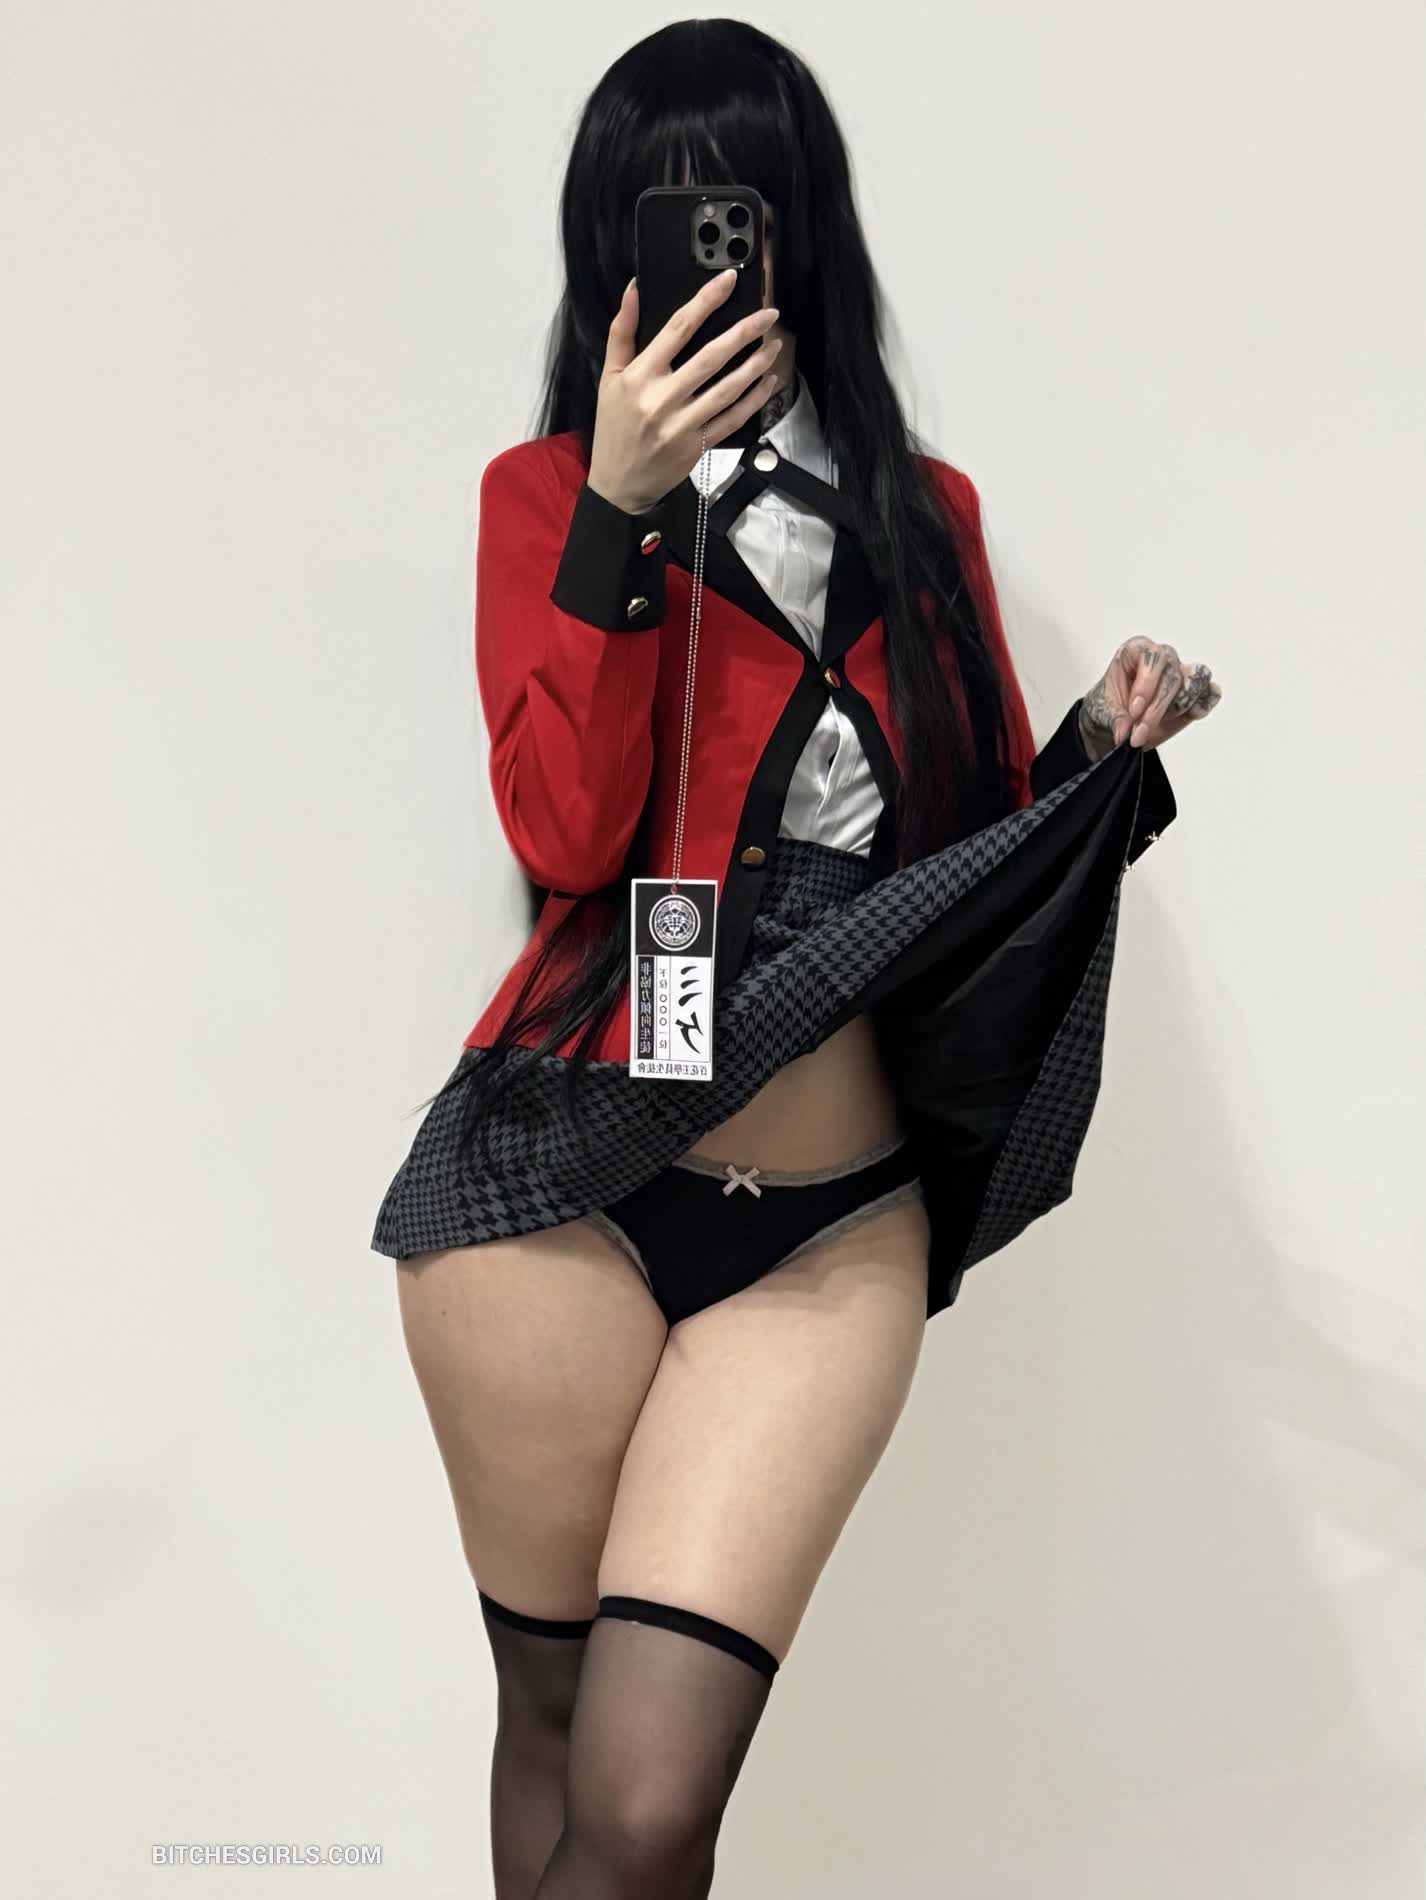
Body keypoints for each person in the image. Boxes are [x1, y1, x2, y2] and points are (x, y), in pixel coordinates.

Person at [370, 20, 1222, 1899]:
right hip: (557, 1198)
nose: (706, 249)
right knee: (550, 1736)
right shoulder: (545, 498)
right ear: (608, 248)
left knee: (648, 1805)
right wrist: (621, 508)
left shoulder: (927, 515)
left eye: (740, 207)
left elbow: (964, 851)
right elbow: (563, 837)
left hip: (827, 1234)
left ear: (800, 231)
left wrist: (1098, 753)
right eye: (659, 213)